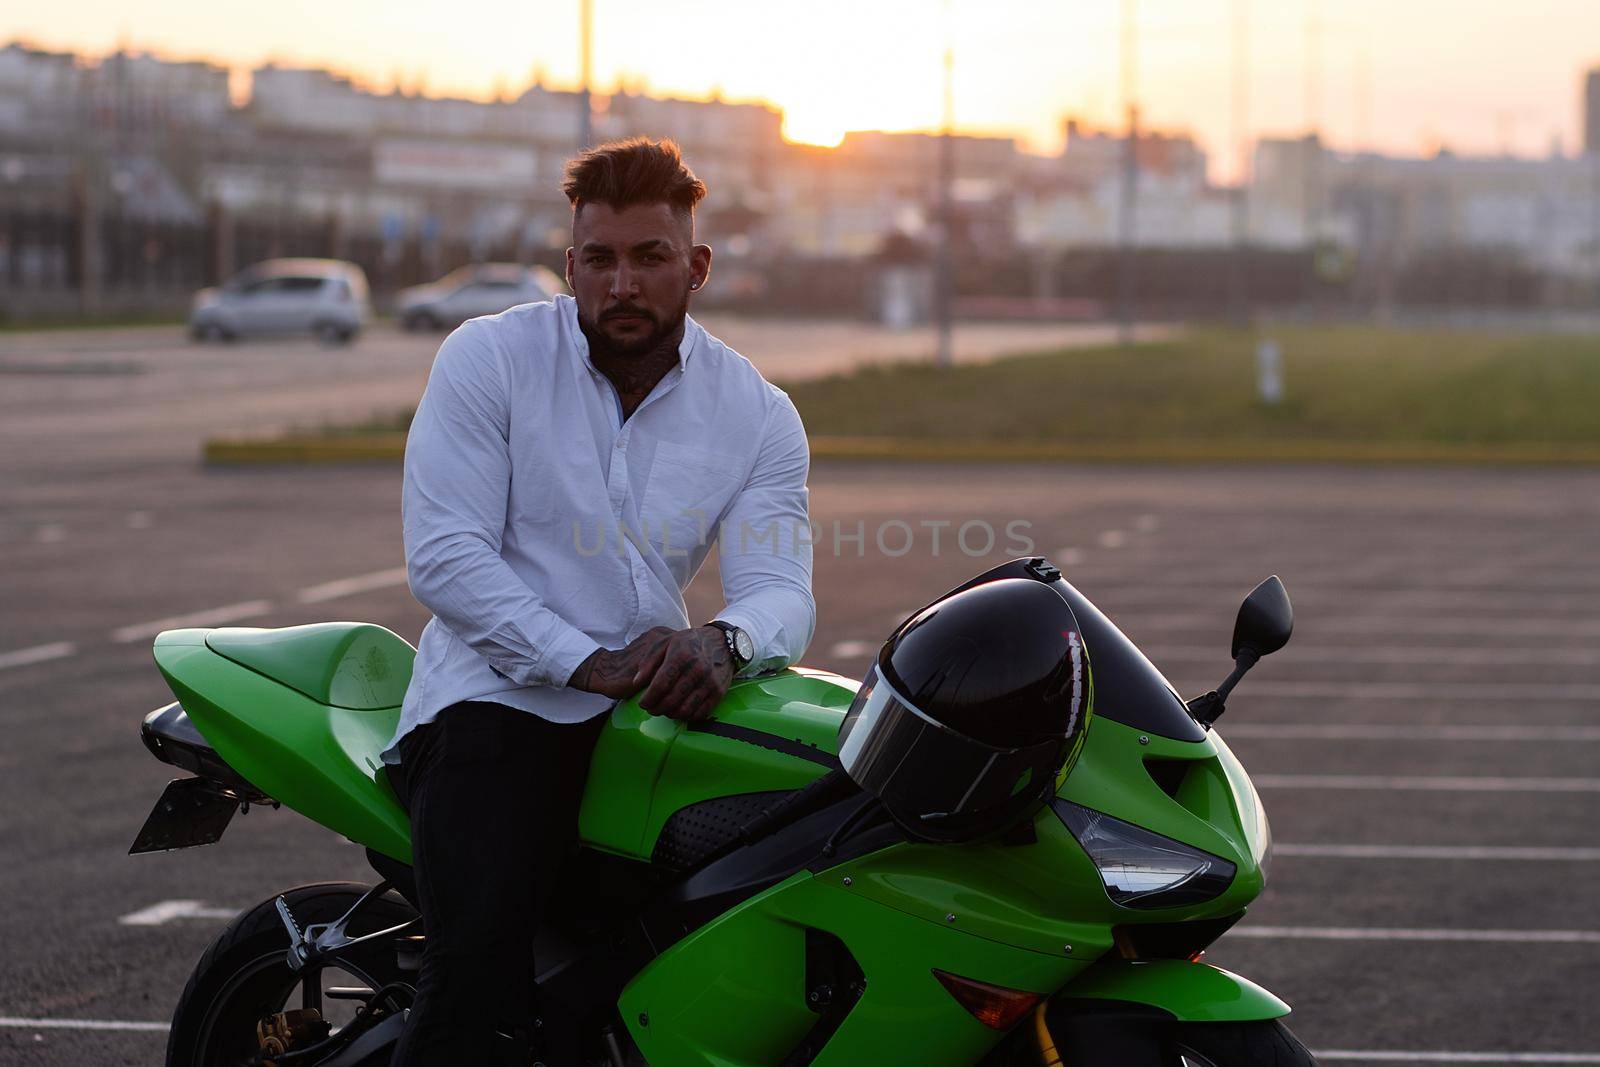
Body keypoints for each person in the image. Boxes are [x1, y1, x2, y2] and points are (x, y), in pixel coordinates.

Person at [380, 137, 816, 1065]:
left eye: (649, 258)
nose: (622, 284)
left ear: (695, 267)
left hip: (648, 714)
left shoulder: (758, 412)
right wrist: (581, 660)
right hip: (494, 705)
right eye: (601, 259)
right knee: (477, 985)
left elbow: (779, 587)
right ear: (570, 264)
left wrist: (725, 646)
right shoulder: (488, 360)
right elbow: (447, 557)